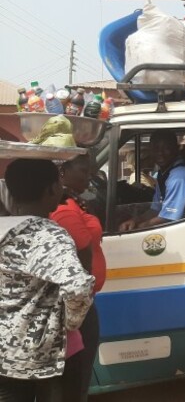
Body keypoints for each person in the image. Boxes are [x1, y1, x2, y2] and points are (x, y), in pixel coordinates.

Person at [0, 158, 95, 402]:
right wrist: (72, 322)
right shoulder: (48, 234)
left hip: (6, 356)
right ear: (52, 189)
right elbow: (79, 285)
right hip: (50, 357)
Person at [50, 154, 106, 402]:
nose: (89, 176)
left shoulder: (74, 202)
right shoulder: (64, 210)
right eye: (83, 171)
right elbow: (83, 250)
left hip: (82, 300)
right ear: (62, 173)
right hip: (78, 303)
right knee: (79, 377)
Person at [120, 130, 185, 231]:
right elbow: (155, 209)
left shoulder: (178, 174)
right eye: (156, 148)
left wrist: (139, 227)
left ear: (176, 148)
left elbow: (169, 217)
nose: (160, 153)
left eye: (166, 148)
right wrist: (135, 220)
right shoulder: (164, 172)